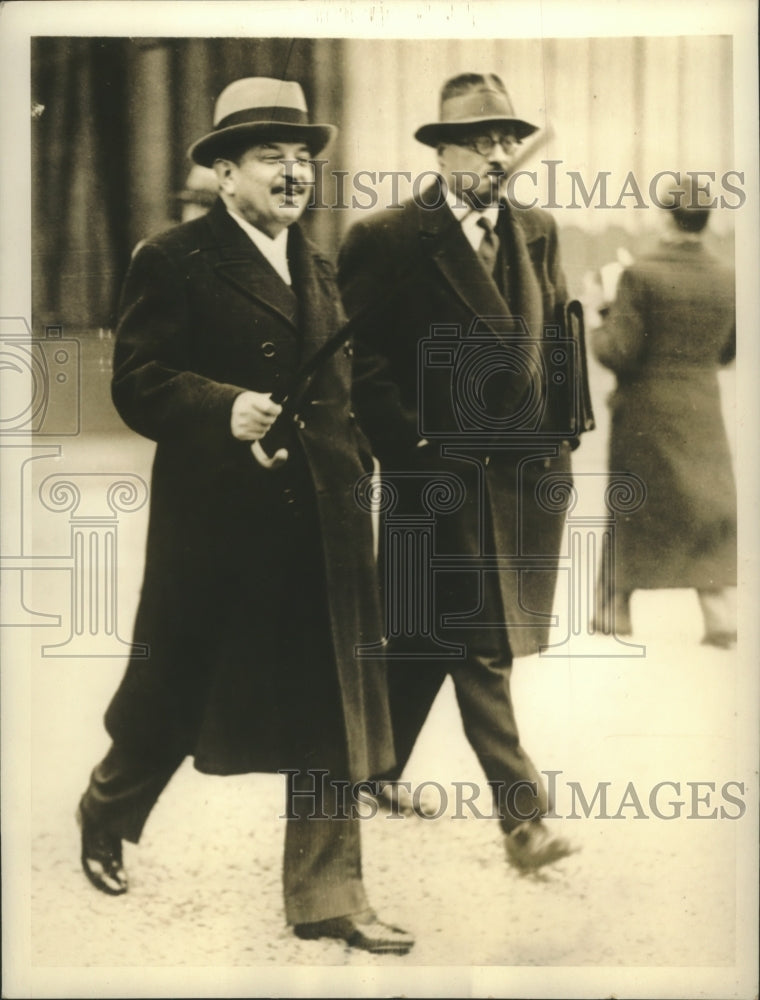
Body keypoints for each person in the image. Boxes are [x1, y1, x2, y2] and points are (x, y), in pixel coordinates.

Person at [76, 77, 414, 955]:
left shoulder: (321, 264)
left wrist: (372, 460)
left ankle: (327, 896)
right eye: (272, 157)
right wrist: (222, 407)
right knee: (179, 691)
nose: (294, 174)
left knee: (329, 703)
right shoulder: (173, 257)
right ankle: (108, 805)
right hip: (220, 525)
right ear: (224, 172)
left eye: (304, 158)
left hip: (324, 522)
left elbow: (346, 390)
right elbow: (138, 381)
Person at [338, 73, 593, 870]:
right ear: (439, 150)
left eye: (505, 138)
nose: (497, 152)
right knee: (482, 641)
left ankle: (368, 772)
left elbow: (555, 337)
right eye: (479, 139)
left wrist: (561, 437)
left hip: (517, 478)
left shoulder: (539, 229)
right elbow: (363, 360)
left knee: (423, 633)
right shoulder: (385, 237)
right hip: (433, 474)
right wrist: (413, 450)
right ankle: (524, 821)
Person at [591, 177, 737, 647]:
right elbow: (728, 352)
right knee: (705, 505)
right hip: (701, 408)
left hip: (647, 412)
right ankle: (718, 611)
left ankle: (615, 609)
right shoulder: (728, 276)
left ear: (666, 217)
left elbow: (619, 352)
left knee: (633, 505)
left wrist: (601, 311)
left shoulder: (641, 275)